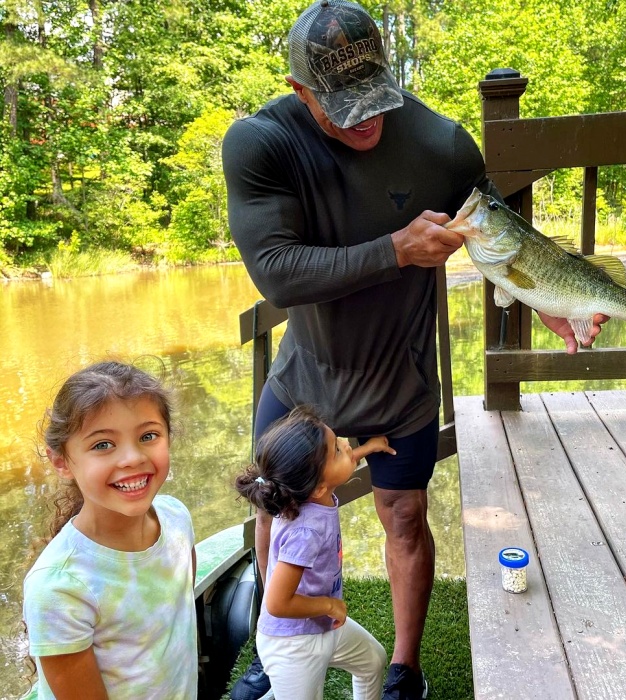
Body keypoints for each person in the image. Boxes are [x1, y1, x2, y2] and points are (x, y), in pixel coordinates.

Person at [222, 1, 606, 697]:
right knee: (275, 518)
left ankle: (405, 669)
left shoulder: (443, 145)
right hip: (303, 384)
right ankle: (271, 647)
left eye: (373, 98)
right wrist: (397, 250)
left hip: (400, 383)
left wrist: (551, 302)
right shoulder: (260, 143)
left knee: (404, 515)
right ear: (300, 90)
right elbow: (275, 271)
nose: (364, 119)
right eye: (340, 105)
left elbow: (508, 244)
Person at [23, 361, 198, 699]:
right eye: (103, 445)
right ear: (61, 462)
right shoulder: (60, 587)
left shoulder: (176, 517)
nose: (132, 458)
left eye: (148, 436)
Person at [235, 406, 392, 699]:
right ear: (319, 486)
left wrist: (368, 448)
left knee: (373, 660)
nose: (346, 445)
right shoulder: (304, 532)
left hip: (322, 626)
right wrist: (329, 606)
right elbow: (277, 603)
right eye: (336, 449)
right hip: (293, 644)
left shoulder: (307, 492)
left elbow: (338, 467)